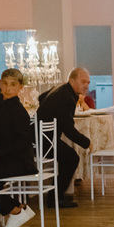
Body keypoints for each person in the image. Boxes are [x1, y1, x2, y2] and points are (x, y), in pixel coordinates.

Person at [35, 67, 90, 208]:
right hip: (43, 140)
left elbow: (41, 97)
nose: (86, 85)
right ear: (72, 80)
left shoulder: (61, 89)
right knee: (72, 158)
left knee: (69, 158)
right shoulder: (66, 97)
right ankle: (54, 199)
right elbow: (68, 129)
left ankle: (56, 197)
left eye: (88, 82)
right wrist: (87, 142)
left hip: (41, 137)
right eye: (83, 81)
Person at [0, 69, 38, 227]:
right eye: (5, 83)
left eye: (13, 85)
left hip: (21, 162)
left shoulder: (18, 111)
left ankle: (15, 211)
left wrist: (0, 151)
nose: (7, 88)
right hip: (8, 159)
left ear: (20, 87)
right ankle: (18, 207)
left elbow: (24, 141)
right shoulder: (3, 107)